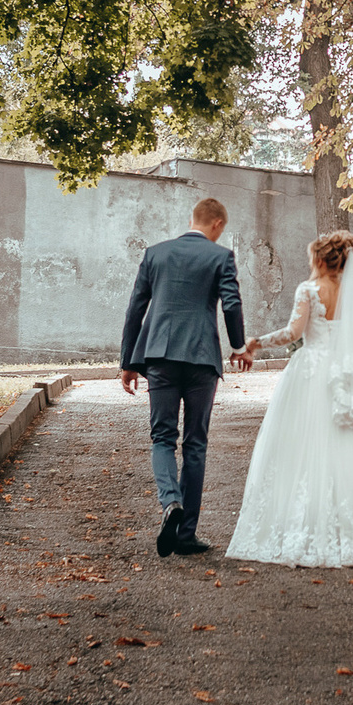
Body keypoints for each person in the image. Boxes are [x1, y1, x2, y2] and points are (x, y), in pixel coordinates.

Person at [225, 231, 353, 568]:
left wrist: (255, 342)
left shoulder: (309, 290)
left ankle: (306, 522)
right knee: (346, 450)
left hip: (310, 375)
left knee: (302, 447)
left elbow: (293, 334)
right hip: (346, 377)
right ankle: (350, 527)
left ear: (321, 261)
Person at [120, 197, 247, 558]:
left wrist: (129, 361)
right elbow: (232, 304)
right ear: (217, 224)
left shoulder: (155, 254)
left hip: (158, 356)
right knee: (195, 443)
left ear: (193, 220)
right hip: (201, 359)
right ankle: (186, 533)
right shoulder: (220, 257)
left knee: (162, 436)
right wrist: (238, 347)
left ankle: (170, 502)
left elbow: (135, 310)